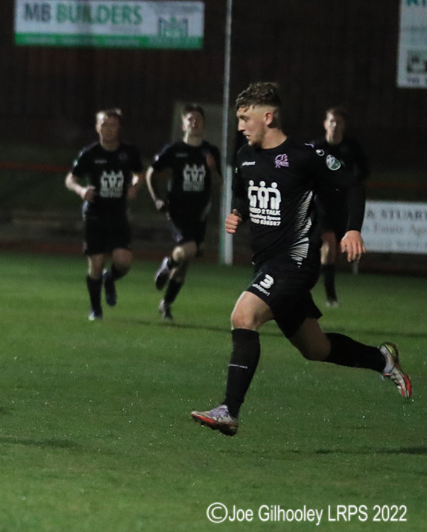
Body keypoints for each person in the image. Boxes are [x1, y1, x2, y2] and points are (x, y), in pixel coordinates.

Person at [191, 82, 411, 436]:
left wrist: (352, 230)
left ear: (268, 116)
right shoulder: (245, 156)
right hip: (266, 264)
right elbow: (244, 192)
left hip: (295, 262)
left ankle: (229, 410)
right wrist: (238, 213)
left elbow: (352, 185)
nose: (240, 126)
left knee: (243, 316)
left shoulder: (305, 155)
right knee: (315, 348)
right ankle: (380, 358)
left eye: (246, 118)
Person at [65, 108, 144, 321]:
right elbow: (70, 179)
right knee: (96, 264)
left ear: (119, 128)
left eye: (112, 125)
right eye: (104, 124)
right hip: (95, 215)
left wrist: (135, 186)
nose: (108, 129)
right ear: (97, 127)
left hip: (118, 214)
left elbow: (138, 173)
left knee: (124, 261)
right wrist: (81, 190)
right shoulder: (90, 154)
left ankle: (111, 279)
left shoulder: (128, 152)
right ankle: (95, 309)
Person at [145, 104, 221, 321]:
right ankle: (167, 264)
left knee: (186, 263)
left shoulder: (210, 151)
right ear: (183, 124)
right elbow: (151, 173)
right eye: (190, 119)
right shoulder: (174, 150)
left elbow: (218, 184)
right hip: (177, 210)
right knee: (188, 249)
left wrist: (213, 169)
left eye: (198, 119)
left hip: (200, 214)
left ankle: (166, 304)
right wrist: (157, 198)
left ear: (204, 125)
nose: (194, 122)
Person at [310, 107, 370, 308]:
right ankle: (330, 296)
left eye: (339, 122)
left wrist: (350, 184)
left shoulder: (351, 148)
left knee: (331, 249)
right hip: (320, 203)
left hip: (342, 205)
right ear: (325, 123)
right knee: (328, 244)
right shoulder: (315, 148)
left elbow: (363, 172)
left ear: (344, 126)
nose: (334, 126)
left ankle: (316, 290)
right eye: (331, 121)